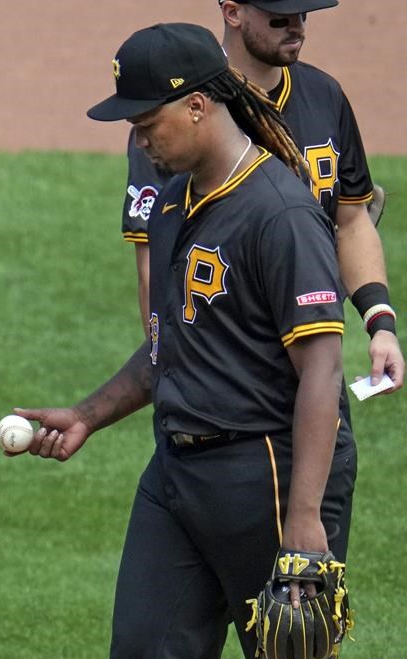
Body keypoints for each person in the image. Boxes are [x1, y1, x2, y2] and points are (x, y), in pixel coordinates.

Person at [20, 23, 356, 659]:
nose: (140, 143)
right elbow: (172, 345)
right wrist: (88, 414)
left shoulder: (281, 213)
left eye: (148, 124)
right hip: (176, 472)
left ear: (200, 105)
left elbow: (322, 373)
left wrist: (304, 522)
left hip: (266, 473)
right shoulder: (173, 205)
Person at [121, 0, 403, 395]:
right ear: (233, 12)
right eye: (279, 18)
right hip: (224, 378)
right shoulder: (179, 122)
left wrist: (380, 325)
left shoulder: (325, 96)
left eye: (304, 15)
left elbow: (352, 222)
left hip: (309, 357)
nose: (298, 28)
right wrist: (172, 371)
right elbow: (156, 267)